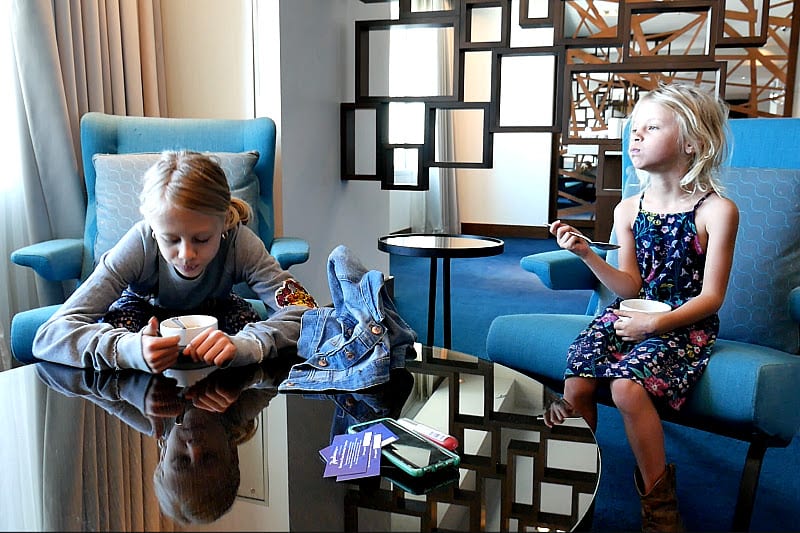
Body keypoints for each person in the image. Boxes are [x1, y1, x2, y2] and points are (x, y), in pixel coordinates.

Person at [545, 84, 739, 532]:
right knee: (577, 379)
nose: (636, 138)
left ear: (692, 142)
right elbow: (628, 285)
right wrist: (587, 256)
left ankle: (659, 507)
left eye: (651, 128)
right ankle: (576, 483)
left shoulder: (718, 211)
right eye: (634, 130)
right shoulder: (629, 208)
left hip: (683, 325)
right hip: (629, 313)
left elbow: (711, 298)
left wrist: (656, 322)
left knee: (626, 389)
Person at [33, 150, 317, 372]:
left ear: (223, 224)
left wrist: (249, 345)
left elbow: (309, 315)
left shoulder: (239, 242)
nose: (186, 255)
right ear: (153, 228)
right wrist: (129, 350)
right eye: (170, 240)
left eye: (202, 239)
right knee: (118, 326)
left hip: (218, 315)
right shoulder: (139, 244)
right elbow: (50, 335)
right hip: (142, 317)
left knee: (248, 333)